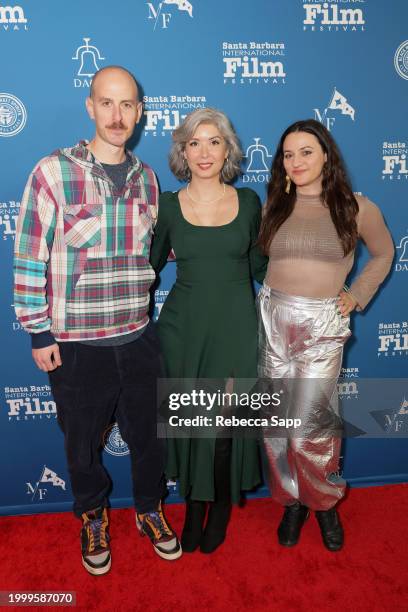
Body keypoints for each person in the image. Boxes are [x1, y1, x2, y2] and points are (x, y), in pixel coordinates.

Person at [13, 66, 181, 575]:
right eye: (106, 103)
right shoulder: (52, 171)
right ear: (90, 107)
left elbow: (153, 253)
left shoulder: (148, 179)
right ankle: (92, 516)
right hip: (76, 344)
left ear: (140, 112)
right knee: (81, 444)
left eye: (127, 104)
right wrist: (38, 329)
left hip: (137, 335)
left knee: (152, 438)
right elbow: (27, 256)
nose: (117, 115)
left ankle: (149, 510)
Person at [257, 119, 394, 551]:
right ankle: (290, 502)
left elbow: (384, 253)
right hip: (273, 318)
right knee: (276, 424)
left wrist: (357, 294)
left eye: (306, 152)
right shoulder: (273, 205)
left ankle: (324, 503)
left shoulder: (356, 207)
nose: (296, 162)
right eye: (288, 154)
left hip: (323, 323)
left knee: (311, 426)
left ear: (326, 156)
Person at [150, 108, 268, 553]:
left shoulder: (251, 201)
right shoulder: (167, 205)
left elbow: (261, 266)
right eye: (194, 143)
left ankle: (217, 505)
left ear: (228, 150)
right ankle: (192, 507)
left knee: (223, 426)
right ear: (183, 150)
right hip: (183, 330)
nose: (204, 152)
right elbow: (150, 267)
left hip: (237, 327)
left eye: (213, 141)